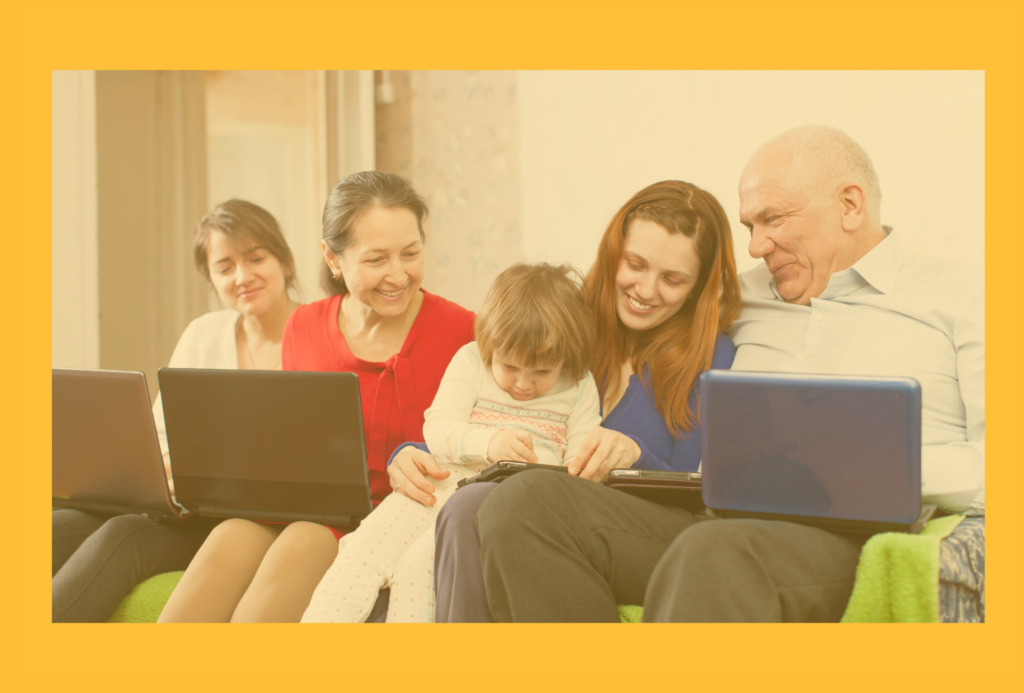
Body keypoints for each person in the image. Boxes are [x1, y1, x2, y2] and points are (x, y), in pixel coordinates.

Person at [479, 125, 985, 622]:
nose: (756, 246)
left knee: (717, 551)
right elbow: (601, 320)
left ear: (849, 205)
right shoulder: (737, 299)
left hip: (844, 533)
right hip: (712, 520)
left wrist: (867, 470)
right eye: (749, 226)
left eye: (773, 220)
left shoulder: (960, 299)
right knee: (522, 505)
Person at [386, 179, 741, 622]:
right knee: (465, 505)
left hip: (658, 533)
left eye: (672, 279)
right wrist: (413, 454)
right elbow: (500, 411)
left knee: (482, 504)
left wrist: (635, 454)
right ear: (614, 254)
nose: (647, 290)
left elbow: (707, 493)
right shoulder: (568, 330)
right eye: (635, 264)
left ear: (697, 287)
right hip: (540, 511)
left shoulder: (713, 357)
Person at [158, 171, 476, 623]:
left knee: (297, 549)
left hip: (393, 515)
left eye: (410, 253)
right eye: (376, 259)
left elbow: (489, 436)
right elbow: (289, 441)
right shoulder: (303, 326)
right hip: (305, 504)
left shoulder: (464, 332)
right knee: (227, 538)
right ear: (333, 258)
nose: (398, 274)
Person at [301, 262, 602, 623]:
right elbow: (439, 428)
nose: (523, 384)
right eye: (509, 367)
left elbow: (580, 474)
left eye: (541, 372)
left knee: (420, 569)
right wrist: (489, 443)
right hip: (434, 485)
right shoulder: (473, 360)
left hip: (488, 509)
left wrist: (539, 466)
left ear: (566, 357)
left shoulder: (579, 384)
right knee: (361, 554)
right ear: (491, 345)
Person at [52, 199, 301, 622]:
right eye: (224, 267)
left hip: (242, 521)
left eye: (256, 258)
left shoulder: (319, 336)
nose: (243, 277)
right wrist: (163, 467)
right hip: (179, 503)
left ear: (285, 262)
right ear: (212, 279)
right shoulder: (203, 334)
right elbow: (161, 436)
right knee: (54, 523)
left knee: (123, 534)